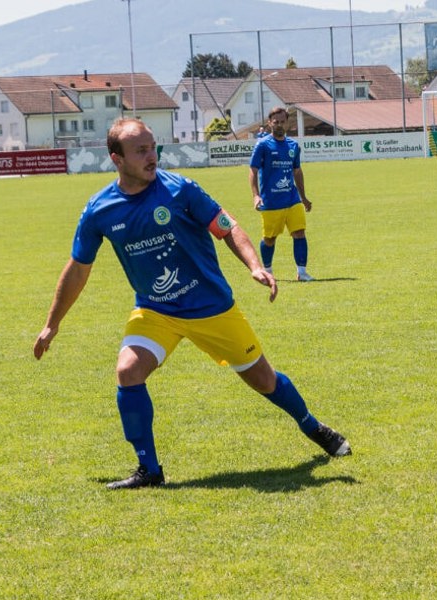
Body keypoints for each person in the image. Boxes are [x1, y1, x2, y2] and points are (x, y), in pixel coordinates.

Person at [33, 118, 350, 490]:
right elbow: (78, 268)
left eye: (153, 147)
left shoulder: (180, 190)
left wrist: (255, 266)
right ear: (116, 159)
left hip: (212, 308)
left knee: (264, 380)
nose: (152, 156)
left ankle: (313, 426)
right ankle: (149, 470)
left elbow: (227, 227)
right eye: (141, 151)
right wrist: (52, 323)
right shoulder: (100, 210)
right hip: (156, 312)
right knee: (128, 371)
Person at [249, 106, 315, 281]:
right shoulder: (263, 145)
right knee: (269, 239)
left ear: (287, 123)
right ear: (270, 122)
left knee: (299, 233)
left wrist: (303, 197)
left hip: (292, 199)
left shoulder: (293, 145)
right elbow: (253, 171)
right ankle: (268, 271)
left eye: (282, 122)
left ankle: (302, 273)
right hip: (271, 201)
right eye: (275, 122)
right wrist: (256, 195)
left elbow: (297, 171)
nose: (278, 125)